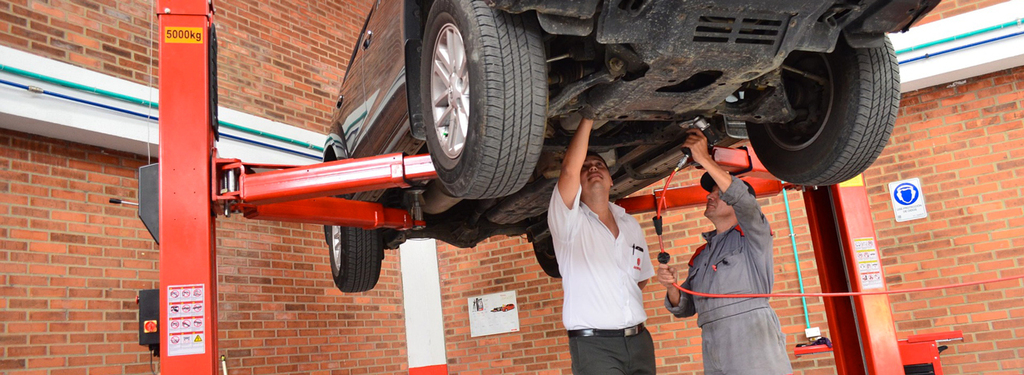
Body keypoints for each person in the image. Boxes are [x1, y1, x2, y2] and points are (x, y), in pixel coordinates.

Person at [657, 129, 792, 375]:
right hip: (712, 340)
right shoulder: (701, 256)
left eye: (718, 194)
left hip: (750, 335)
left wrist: (705, 159)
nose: (710, 196)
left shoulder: (753, 235)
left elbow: (745, 202)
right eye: (711, 192)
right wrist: (671, 286)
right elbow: (685, 307)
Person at [548, 117, 657, 374]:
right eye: (586, 167)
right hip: (595, 345)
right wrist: (588, 118)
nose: (593, 168)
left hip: (639, 341)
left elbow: (640, 279)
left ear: (610, 180)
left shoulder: (629, 224)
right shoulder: (568, 222)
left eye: (599, 165)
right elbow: (568, 171)